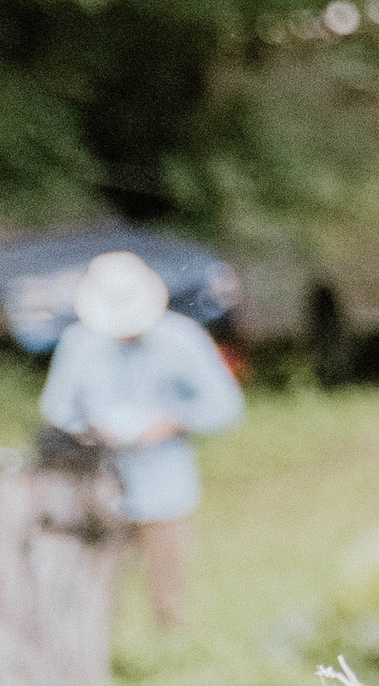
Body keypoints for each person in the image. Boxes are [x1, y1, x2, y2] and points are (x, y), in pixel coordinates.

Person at [39, 249, 242, 633]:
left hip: (164, 480)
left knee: (167, 583)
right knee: (98, 577)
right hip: (97, 482)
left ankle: (169, 648)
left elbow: (225, 405)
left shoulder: (181, 338)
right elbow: (57, 408)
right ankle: (104, 652)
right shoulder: (79, 343)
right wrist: (89, 430)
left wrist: (172, 422)